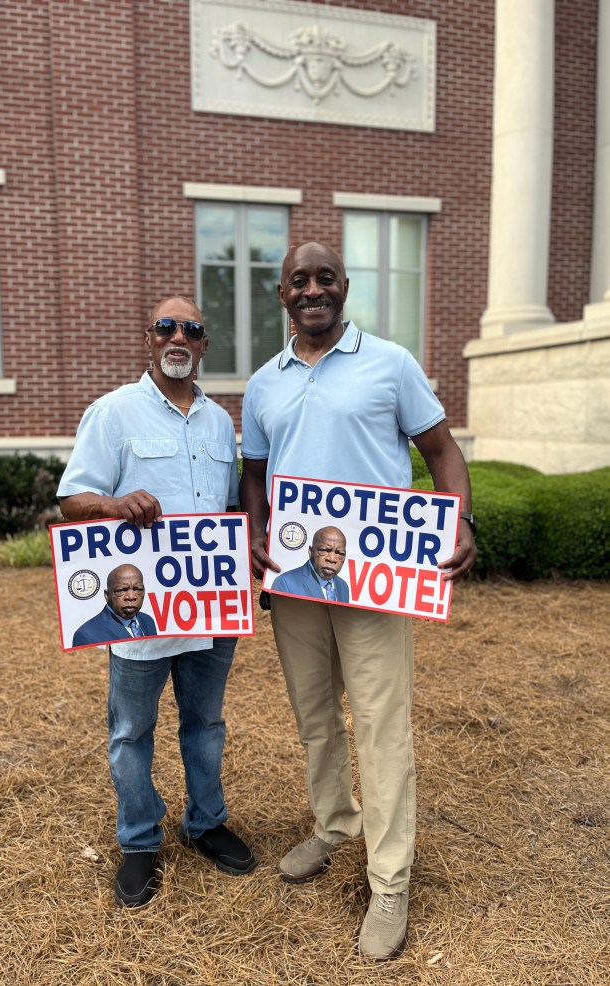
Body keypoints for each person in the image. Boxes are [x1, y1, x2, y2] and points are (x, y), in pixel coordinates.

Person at [240, 242, 477, 961]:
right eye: (299, 281)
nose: (312, 289)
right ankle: (335, 825)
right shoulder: (263, 383)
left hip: (377, 577)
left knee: (381, 723)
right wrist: (254, 530)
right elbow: (255, 472)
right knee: (315, 715)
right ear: (281, 294)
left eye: (325, 279)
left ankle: (390, 879)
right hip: (296, 580)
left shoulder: (390, 363)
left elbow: (442, 452)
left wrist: (458, 516)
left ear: (344, 288)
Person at [57, 296, 256, 910]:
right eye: (166, 326)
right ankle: (139, 841)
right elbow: (72, 500)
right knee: (131, 731)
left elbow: (229, 513)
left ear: (203, 345)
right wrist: (116, 506)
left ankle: (206, 823)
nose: (178, 336)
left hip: (210, 612)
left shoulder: (221, 422)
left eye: (191, 329)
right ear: (149, 339)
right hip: (140, 615)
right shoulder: (113, 413)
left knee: (207, 726)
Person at [72, 564, 157, 647]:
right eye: (121, 590)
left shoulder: (148, 621)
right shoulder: (87, 635)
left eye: (138, 589)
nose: (131, 597)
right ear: (107, 595)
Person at [272, 526, 349, 602]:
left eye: (340, 553)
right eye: (324, 550)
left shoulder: (343, 586)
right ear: (311, 552)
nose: (332, 559)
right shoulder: (286, 583)